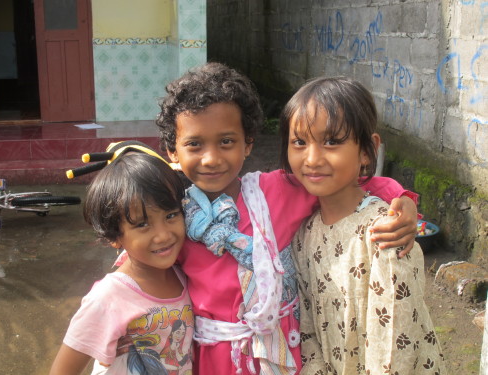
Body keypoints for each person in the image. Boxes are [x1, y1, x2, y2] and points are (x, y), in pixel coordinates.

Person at [156, 62, 419, 375]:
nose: (211, 158)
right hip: (213, 360)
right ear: (173, 151)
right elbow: (142, 259)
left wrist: (402, 201)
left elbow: (349, 185)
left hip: (285, 353)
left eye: (226, 141)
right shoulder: (171, 215)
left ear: (248, 143)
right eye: (194, 144)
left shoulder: (276, 191)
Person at [281, 77, 446, 374]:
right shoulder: (302, 235)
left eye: (332, 141)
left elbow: (396, 344)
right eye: (299, 142)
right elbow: (305, 326)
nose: (312, 158)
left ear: (367, 151)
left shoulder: (384, 235)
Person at [49, 153, 194, 375]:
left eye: (171, 215)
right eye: (143, 224)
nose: (163, 235)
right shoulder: (108, 298)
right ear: (115, 236)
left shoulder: (184, 272)